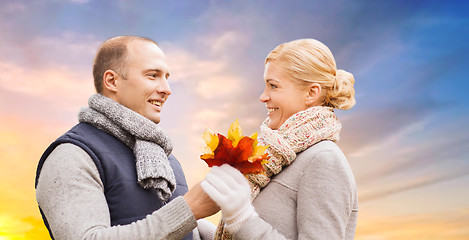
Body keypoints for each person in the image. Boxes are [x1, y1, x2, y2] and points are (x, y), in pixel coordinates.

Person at [35, 36, 219, 240]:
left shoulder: (165, 158)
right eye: (153, 75)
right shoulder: (72, 155)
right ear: (112, 81)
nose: (166, 89)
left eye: (167, 77)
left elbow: (153, 217)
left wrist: (215, 230)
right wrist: (188, 211)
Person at [201, 39, 359, 239]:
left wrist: (241, 217)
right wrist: (196, 227)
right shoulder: (276, 158)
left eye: (273, 86)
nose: (263, 96)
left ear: (311, 93)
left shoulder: (324, 160)